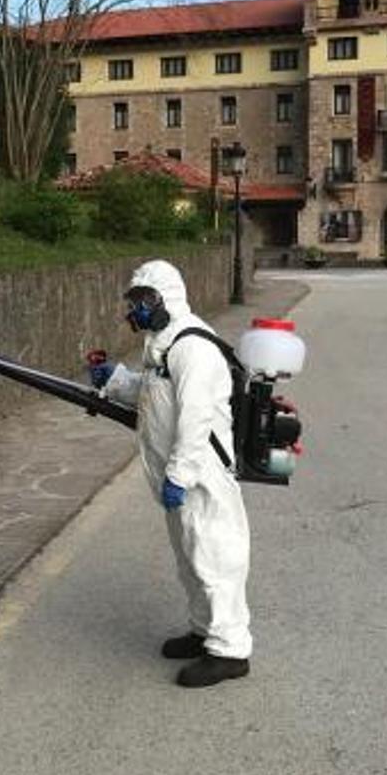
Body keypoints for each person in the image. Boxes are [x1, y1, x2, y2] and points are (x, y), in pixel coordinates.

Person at [90, 260, 252, 689]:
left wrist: (179, 475)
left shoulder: (192, 346)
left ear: (166, 298)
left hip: (201, 475)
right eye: (134, 301)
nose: (136, 310)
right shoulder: (162, 343)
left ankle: (231, 650)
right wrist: (117, 381)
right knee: (189, 559)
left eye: (144, 300)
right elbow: (154, 393)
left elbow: (196, 419)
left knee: (214, 557)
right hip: (177, 475)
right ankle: (204, 630)